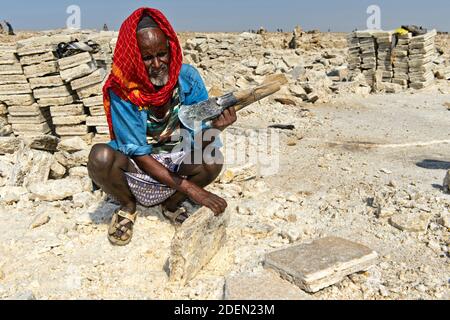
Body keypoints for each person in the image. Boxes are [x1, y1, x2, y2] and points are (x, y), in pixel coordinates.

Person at [87, 7, 237, 246]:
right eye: (147, 57)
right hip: (138, 164)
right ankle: (128, 206)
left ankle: (171, 204)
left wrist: (216, 129)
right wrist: (193, 190)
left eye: (162, 53)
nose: (157, 64)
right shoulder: (123, 90)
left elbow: (199, 138)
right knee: (100, 157)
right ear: (134, 57)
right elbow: (138, 153)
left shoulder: (187, 78)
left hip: (177, 157)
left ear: (171, 49)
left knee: (212, 159)